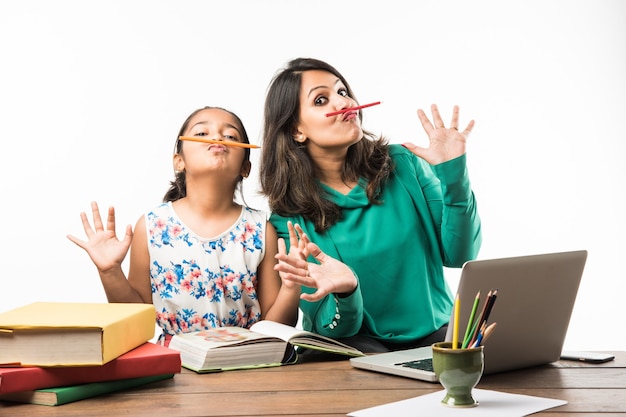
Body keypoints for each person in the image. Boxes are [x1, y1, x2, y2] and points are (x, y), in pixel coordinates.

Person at [259, 58, 482, 353]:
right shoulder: (288, 219)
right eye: (322, 99)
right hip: (351, 346)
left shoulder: (404, 164)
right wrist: (347, 290)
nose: (343, 102)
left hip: (436, 334)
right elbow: (332, 328)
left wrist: (453, 175)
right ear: (297, 131)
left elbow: (459, 255)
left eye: (342, 91)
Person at [68, 106, 300, 345]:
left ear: (245, 168)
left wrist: (292, 290)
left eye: (230, 136)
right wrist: (110, 273)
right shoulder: (151, 226)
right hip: (176, 366)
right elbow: (138, 320)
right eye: (201, 133)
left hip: (244, 360)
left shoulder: (262, 228)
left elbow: (276, 327)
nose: (217, 138)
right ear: (179, 161)